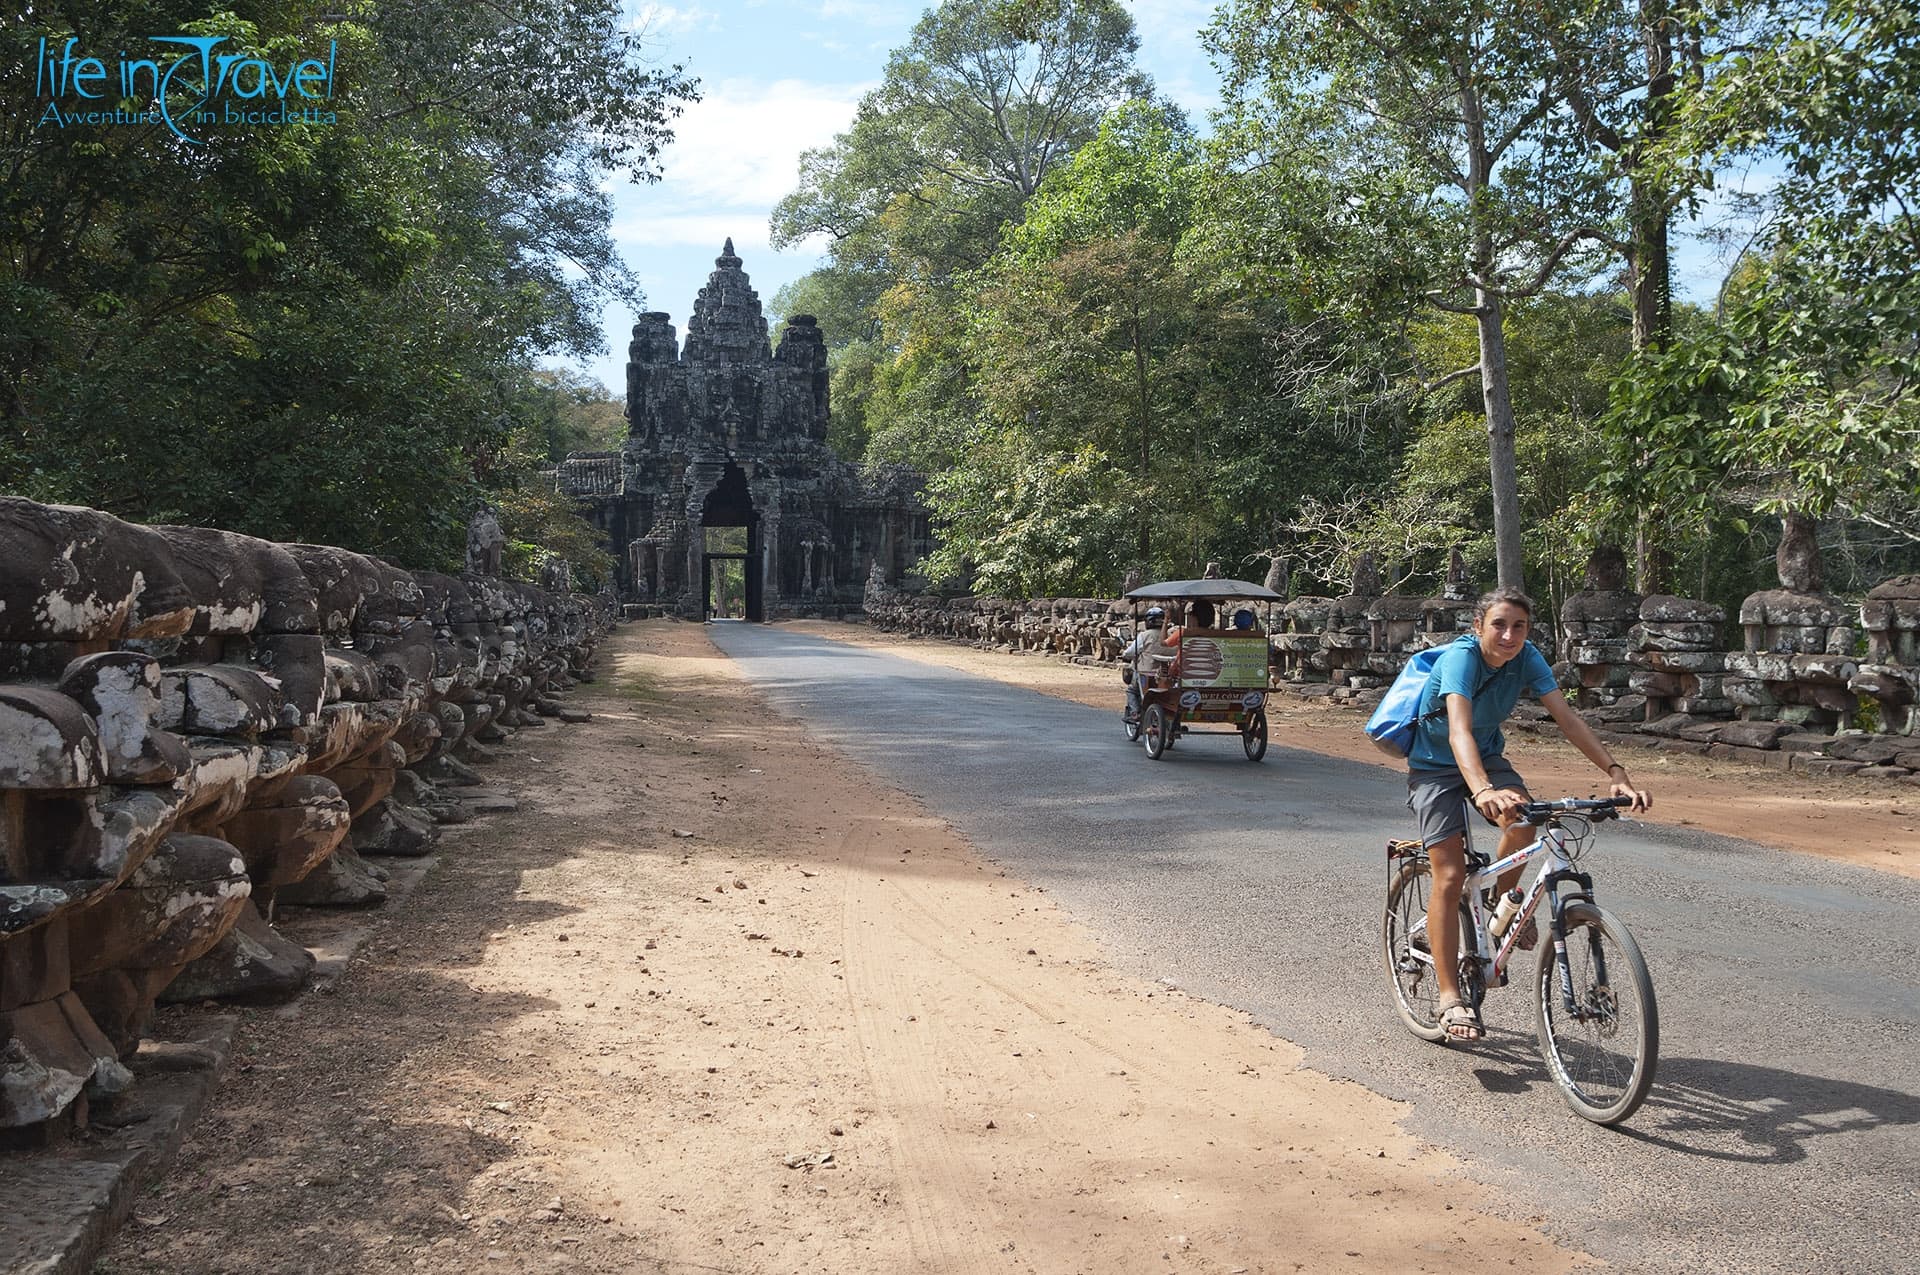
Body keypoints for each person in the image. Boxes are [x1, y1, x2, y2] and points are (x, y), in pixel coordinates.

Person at [1408, 587, 1651, 1042]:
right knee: (1448, 874)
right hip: (1436, 767)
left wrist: (1616, 772)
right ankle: (1448, 999)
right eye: (1499, 624)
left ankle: (1502, 905)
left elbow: (1568, 719)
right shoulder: (1461, 660)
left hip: (1490, 759)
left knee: (1524, 820)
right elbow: (1459, 729)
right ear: (1478, 626)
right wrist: (1482, 790)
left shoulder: (1527, 657)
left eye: (1519, 626)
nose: (1509, 635)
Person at [1119, 606, 1168, 721]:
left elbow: (1131, 652)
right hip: (1167, 675)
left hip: (1146, 674)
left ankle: (1135, 713)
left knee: (1131, 690)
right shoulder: (1169, 635)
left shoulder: (1144, 636)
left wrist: (1124, 655)